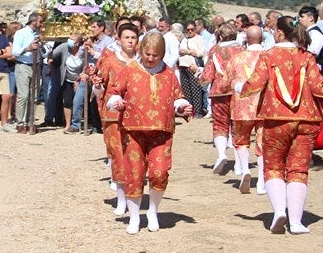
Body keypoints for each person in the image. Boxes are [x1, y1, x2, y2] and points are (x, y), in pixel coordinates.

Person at [241, 17, 323, 234]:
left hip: (276, 120)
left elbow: (254, 84)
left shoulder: (268, 56)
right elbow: (319, 87)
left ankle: (279, 211)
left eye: (274, 30)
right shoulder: (307, 58)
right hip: (306, 119)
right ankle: (296, 222)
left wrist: (239, 87)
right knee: (299, 169)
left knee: (273, 166)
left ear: (281, 33)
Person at [105, 32, 194, 234]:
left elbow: (177, 97)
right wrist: (116, 102)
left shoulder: (169, 74)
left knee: (159, 172)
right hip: (132, 131)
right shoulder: (129, 70)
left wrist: (182, 108)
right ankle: (135, 217)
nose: (151, 58)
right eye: (147, 54)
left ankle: (153, 211)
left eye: (156, 55)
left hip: (161, 132)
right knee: (134, 173)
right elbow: (113, 92)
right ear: (141, 50)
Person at [91, 22, 142, 215]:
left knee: (136, 158)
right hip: (114, 116)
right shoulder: (110, 61)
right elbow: (100, 87)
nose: (130, 41)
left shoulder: (142, 62)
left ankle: (134, 197)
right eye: (126, 37)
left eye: (133, 37)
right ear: (119, 40)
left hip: (138, 116)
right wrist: (97, 86)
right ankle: (121, 199)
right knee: (119, 158)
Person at [227, 26, 266, 194]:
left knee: (241, 139)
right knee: (262, 142)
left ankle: (245, 169)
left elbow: (227, 80)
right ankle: (262, 180)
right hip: (263, 104)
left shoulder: (237, 58)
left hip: (242, 104)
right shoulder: (268, 57)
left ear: (247, 39)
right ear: (262, 38)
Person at [200, 22, 242, 174]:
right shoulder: (241, 50)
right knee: (238, 127)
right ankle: (239, 164)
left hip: (219, 91)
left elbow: (208, 74)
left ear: (221, 35)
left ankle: (222, 154)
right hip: (238, 92)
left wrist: (201, 78)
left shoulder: (214, 50)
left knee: (220, 124)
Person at [11, 12, 43, 133]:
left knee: (34, 96)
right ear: (33, 21)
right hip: (23, 65)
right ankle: (21, 122)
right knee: (23, 95)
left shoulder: (38, 34)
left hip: (36, 65)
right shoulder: (21, 33)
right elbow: (15, 51)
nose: (41, 24)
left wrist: (42, 46)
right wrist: (27, 49)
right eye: (40, 21)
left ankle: (31, 121)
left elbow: (44, 53)